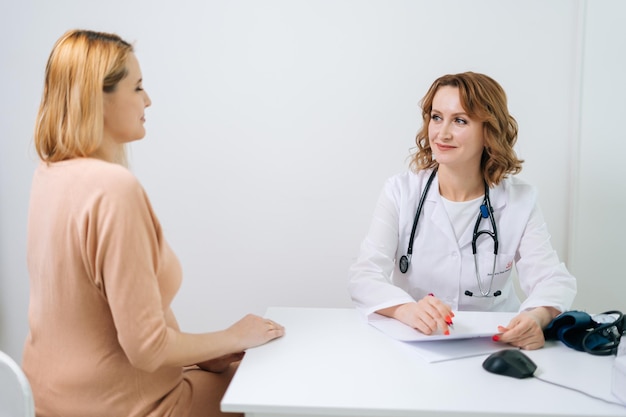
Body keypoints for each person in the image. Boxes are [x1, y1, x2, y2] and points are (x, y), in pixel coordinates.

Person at [22, 29, 284, 417]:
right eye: (137, 87)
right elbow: (147, 349)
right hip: (131, 406)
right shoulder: (114, 188)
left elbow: (103, 323)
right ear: (98, 97)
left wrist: (210, 352)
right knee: (273, 386)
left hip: (49, 401)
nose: (148, 100)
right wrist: (232, 336)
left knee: (238, 371)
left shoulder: (49, 174)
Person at [348, 72, 576, 351]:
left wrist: (535, 317)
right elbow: (364, 275)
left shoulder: (519, 200)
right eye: (436, 117)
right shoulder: (401, 191)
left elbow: (553, 279)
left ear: (488, 130)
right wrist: (405, 310)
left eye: (460, 120)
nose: (442, 133)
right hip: (418, 342)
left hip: (495, 343)